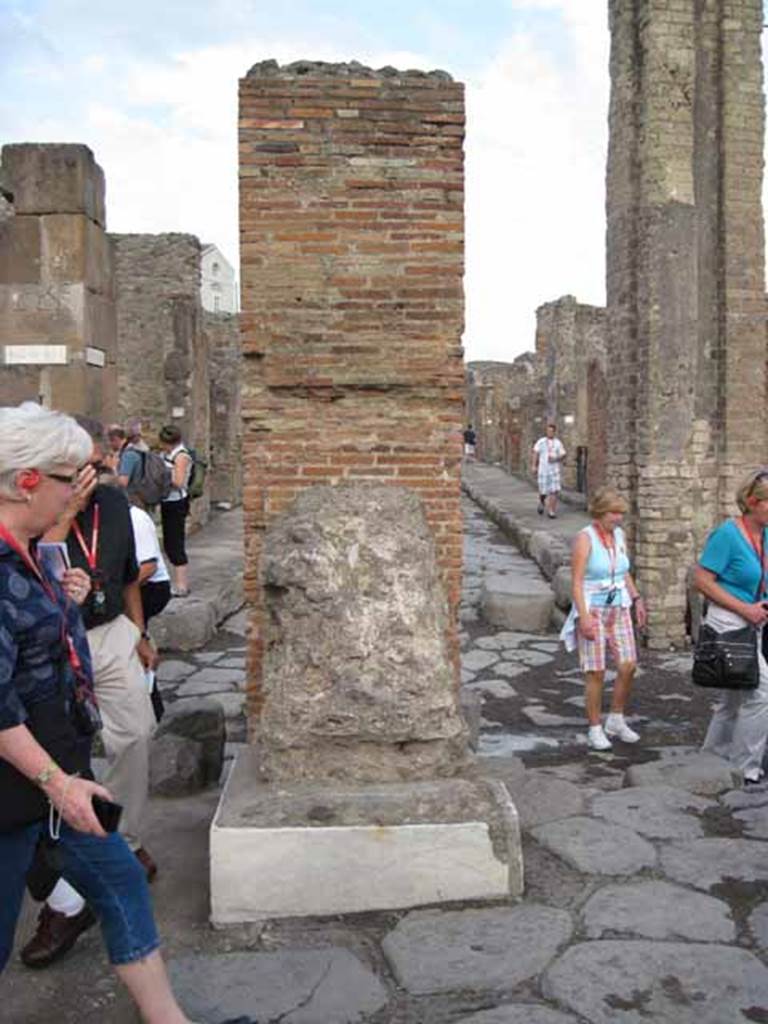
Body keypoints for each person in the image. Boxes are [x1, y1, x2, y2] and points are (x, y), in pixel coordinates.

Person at [0, 402, 205, 1023]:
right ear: (27, 481)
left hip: (57, 782)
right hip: (18, 793)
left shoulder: (30, 550)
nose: (80, 489)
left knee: (120, 882)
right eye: (70, 478)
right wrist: (57, 784)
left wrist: (65, 596)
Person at [20, 416, 159, 968]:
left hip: (108, 633)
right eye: (89, 467)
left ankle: (122, 840)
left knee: (136, 735)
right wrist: (66, 515)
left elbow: (125, 576)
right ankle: (67, 898)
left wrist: (140, 631)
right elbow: (31, 575)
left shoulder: (116, 506)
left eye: (104, 463)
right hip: (52, 646)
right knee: (59, 759)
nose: (100, 474)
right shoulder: (34, 510)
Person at [694, 468, 768, 788]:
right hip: (728, 622)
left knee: (733, 699)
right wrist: (745, 608)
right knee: (761, 693)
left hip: (752, 623)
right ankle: (744, 766)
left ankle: (710, 758)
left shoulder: (764, 534)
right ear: (752, 502)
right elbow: (701, 580)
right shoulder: (727, 535)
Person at [560, 486, 647, 751]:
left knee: (628, 665)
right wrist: (584, 616)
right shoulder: (584, 539)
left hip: (619, 606)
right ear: (599, 513)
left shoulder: (619, 535)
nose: (618, 518)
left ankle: (616, 719)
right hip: (593, 608)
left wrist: (636, 598)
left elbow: (623, 571)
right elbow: (576, 582)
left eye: (620, 513)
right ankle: (595, 727)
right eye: (613, 513)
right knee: (596, 671)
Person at [158, 425, 192, 598]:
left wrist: (162, 473)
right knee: (169, 542)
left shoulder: (181, 456)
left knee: (175, 542)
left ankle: (181, 585)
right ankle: (176, 582)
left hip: (177, 503)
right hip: (168, 501)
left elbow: (178, 482)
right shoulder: (168, 454)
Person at [531, 422, 566, 518]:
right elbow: (535, 453)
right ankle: (542, 501)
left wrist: (556, 458)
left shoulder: (558, 443)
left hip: (554, 471)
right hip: (543, 470)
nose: (550, 433)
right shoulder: (541, 442)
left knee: (554, 491)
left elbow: (563, 455)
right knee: (543, 491)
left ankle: (551, 511)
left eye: (551, 431)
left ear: (554, 432)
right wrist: (534, 465)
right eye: (548, 431)